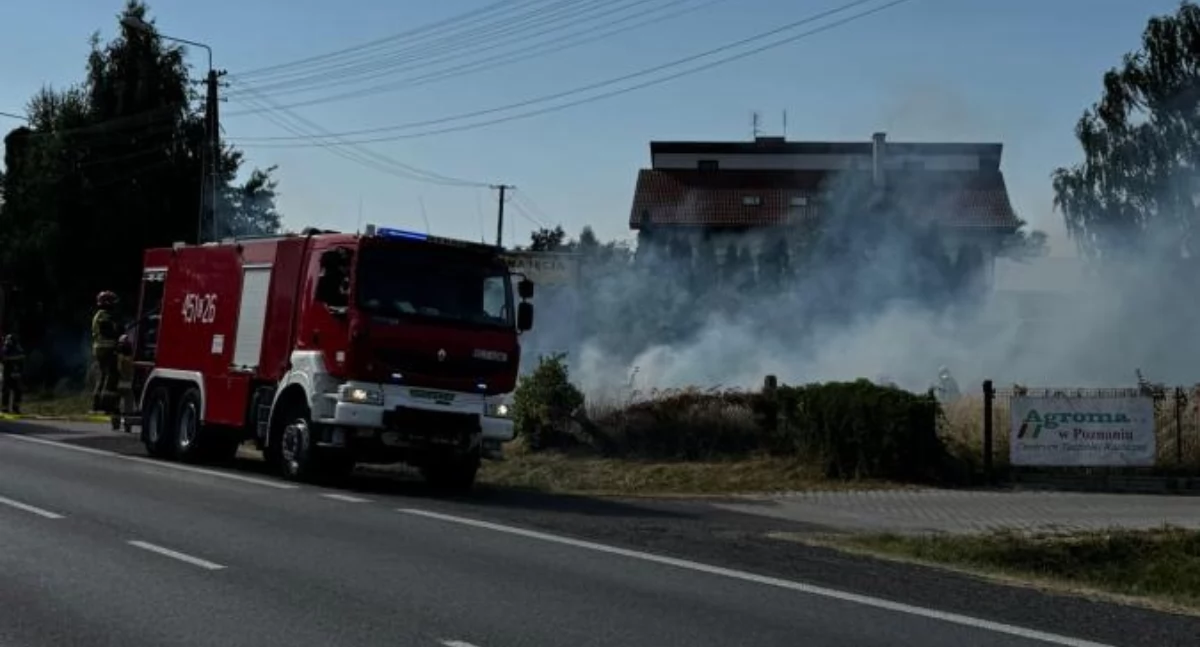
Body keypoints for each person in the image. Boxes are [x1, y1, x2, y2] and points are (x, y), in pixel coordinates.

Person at [91, 291, 122, 414]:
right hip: (106, 349)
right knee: (111, 376)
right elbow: (107, 331)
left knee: (103, 376)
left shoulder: (101, 314)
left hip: (101, 349)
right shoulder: (103, 316)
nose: (114, 305)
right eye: (113, 302)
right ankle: (106, 405)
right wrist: (119, 333)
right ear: (107, 303)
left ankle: (97, 405)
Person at [1, 333, 24, 414]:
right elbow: (4, 358)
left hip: (16, 372)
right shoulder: (5, 349)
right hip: (7, 373)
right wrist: (12, 359)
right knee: (6, 391)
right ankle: (5, 408)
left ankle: (16, 407)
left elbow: (22, 357)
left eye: (10, 340)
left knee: (18, 391)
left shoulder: (18, 348)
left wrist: (19, 372)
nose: (8, 342)